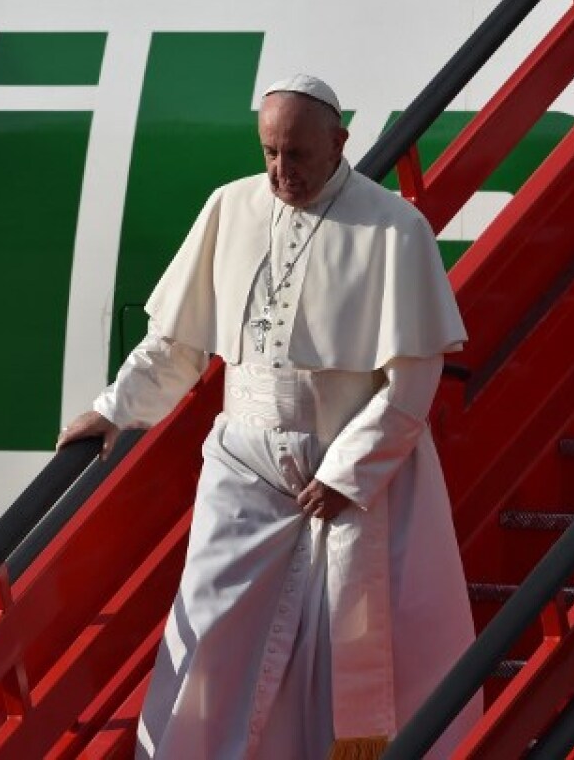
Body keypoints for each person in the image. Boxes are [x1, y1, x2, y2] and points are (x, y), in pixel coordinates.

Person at [58, 74, 481, 759]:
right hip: (243, 470)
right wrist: (114, 409)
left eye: (298, 155)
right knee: (210, 629)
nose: (282, 171)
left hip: (343, 479)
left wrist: (349, 471)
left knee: (336, 653)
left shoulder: (395, 228)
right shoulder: (230, 208)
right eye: (270, 153)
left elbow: (412, 379)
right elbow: (178, 342)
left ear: (339, 142)